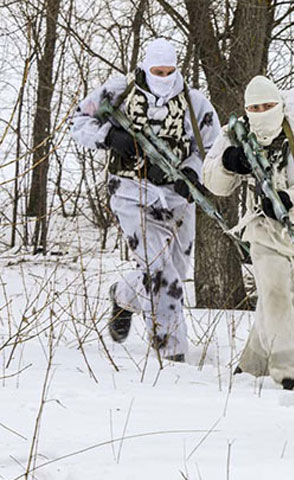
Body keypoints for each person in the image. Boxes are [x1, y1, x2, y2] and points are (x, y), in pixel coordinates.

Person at [71, 39, 220, 362]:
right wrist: (109, 137)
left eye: (169, 71)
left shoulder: (195, 104)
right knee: (161, 273)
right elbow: (78, 122)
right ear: (145, 68)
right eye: (157, 71)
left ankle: (124, 294)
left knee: (176, 272)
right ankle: (172, 352)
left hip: (178, 199)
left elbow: (211, 149)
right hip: (130, 191)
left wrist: (193, 176)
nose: (164, 77)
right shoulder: (118, 93)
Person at [202, 75, 294, 390]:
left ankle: (252, 363)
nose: (261, 112)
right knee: (275, 295)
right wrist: (230, 162)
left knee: (290, 306)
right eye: (254, 107)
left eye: (268, 106)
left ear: (280, 105)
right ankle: (291, 372)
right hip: (266, 231)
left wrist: (285, 201)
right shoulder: (237, 133)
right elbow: (213, 181)